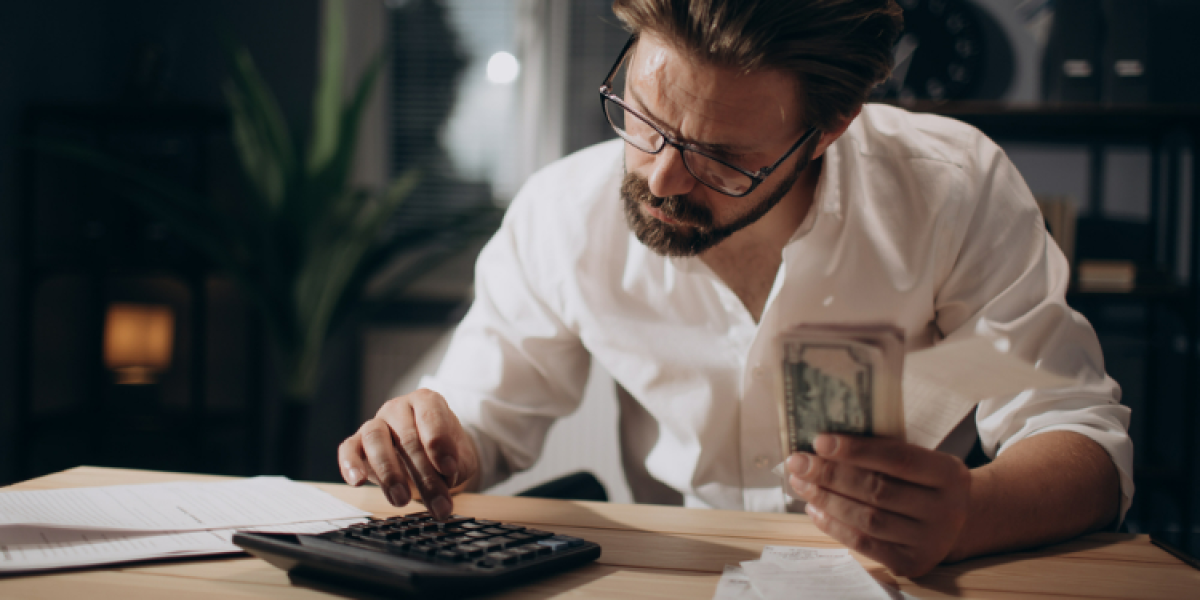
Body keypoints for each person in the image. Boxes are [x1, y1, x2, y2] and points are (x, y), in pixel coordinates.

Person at [338, 0, 1132, 577]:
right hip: (675, 578)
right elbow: (485, 419)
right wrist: (430, 439)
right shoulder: (562, 213)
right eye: (644, 118)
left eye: (721, 156)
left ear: (830, 129)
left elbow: (1081, 437)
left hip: (901, 582)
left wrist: (967, 514)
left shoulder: (953, 191)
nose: (660, 175)